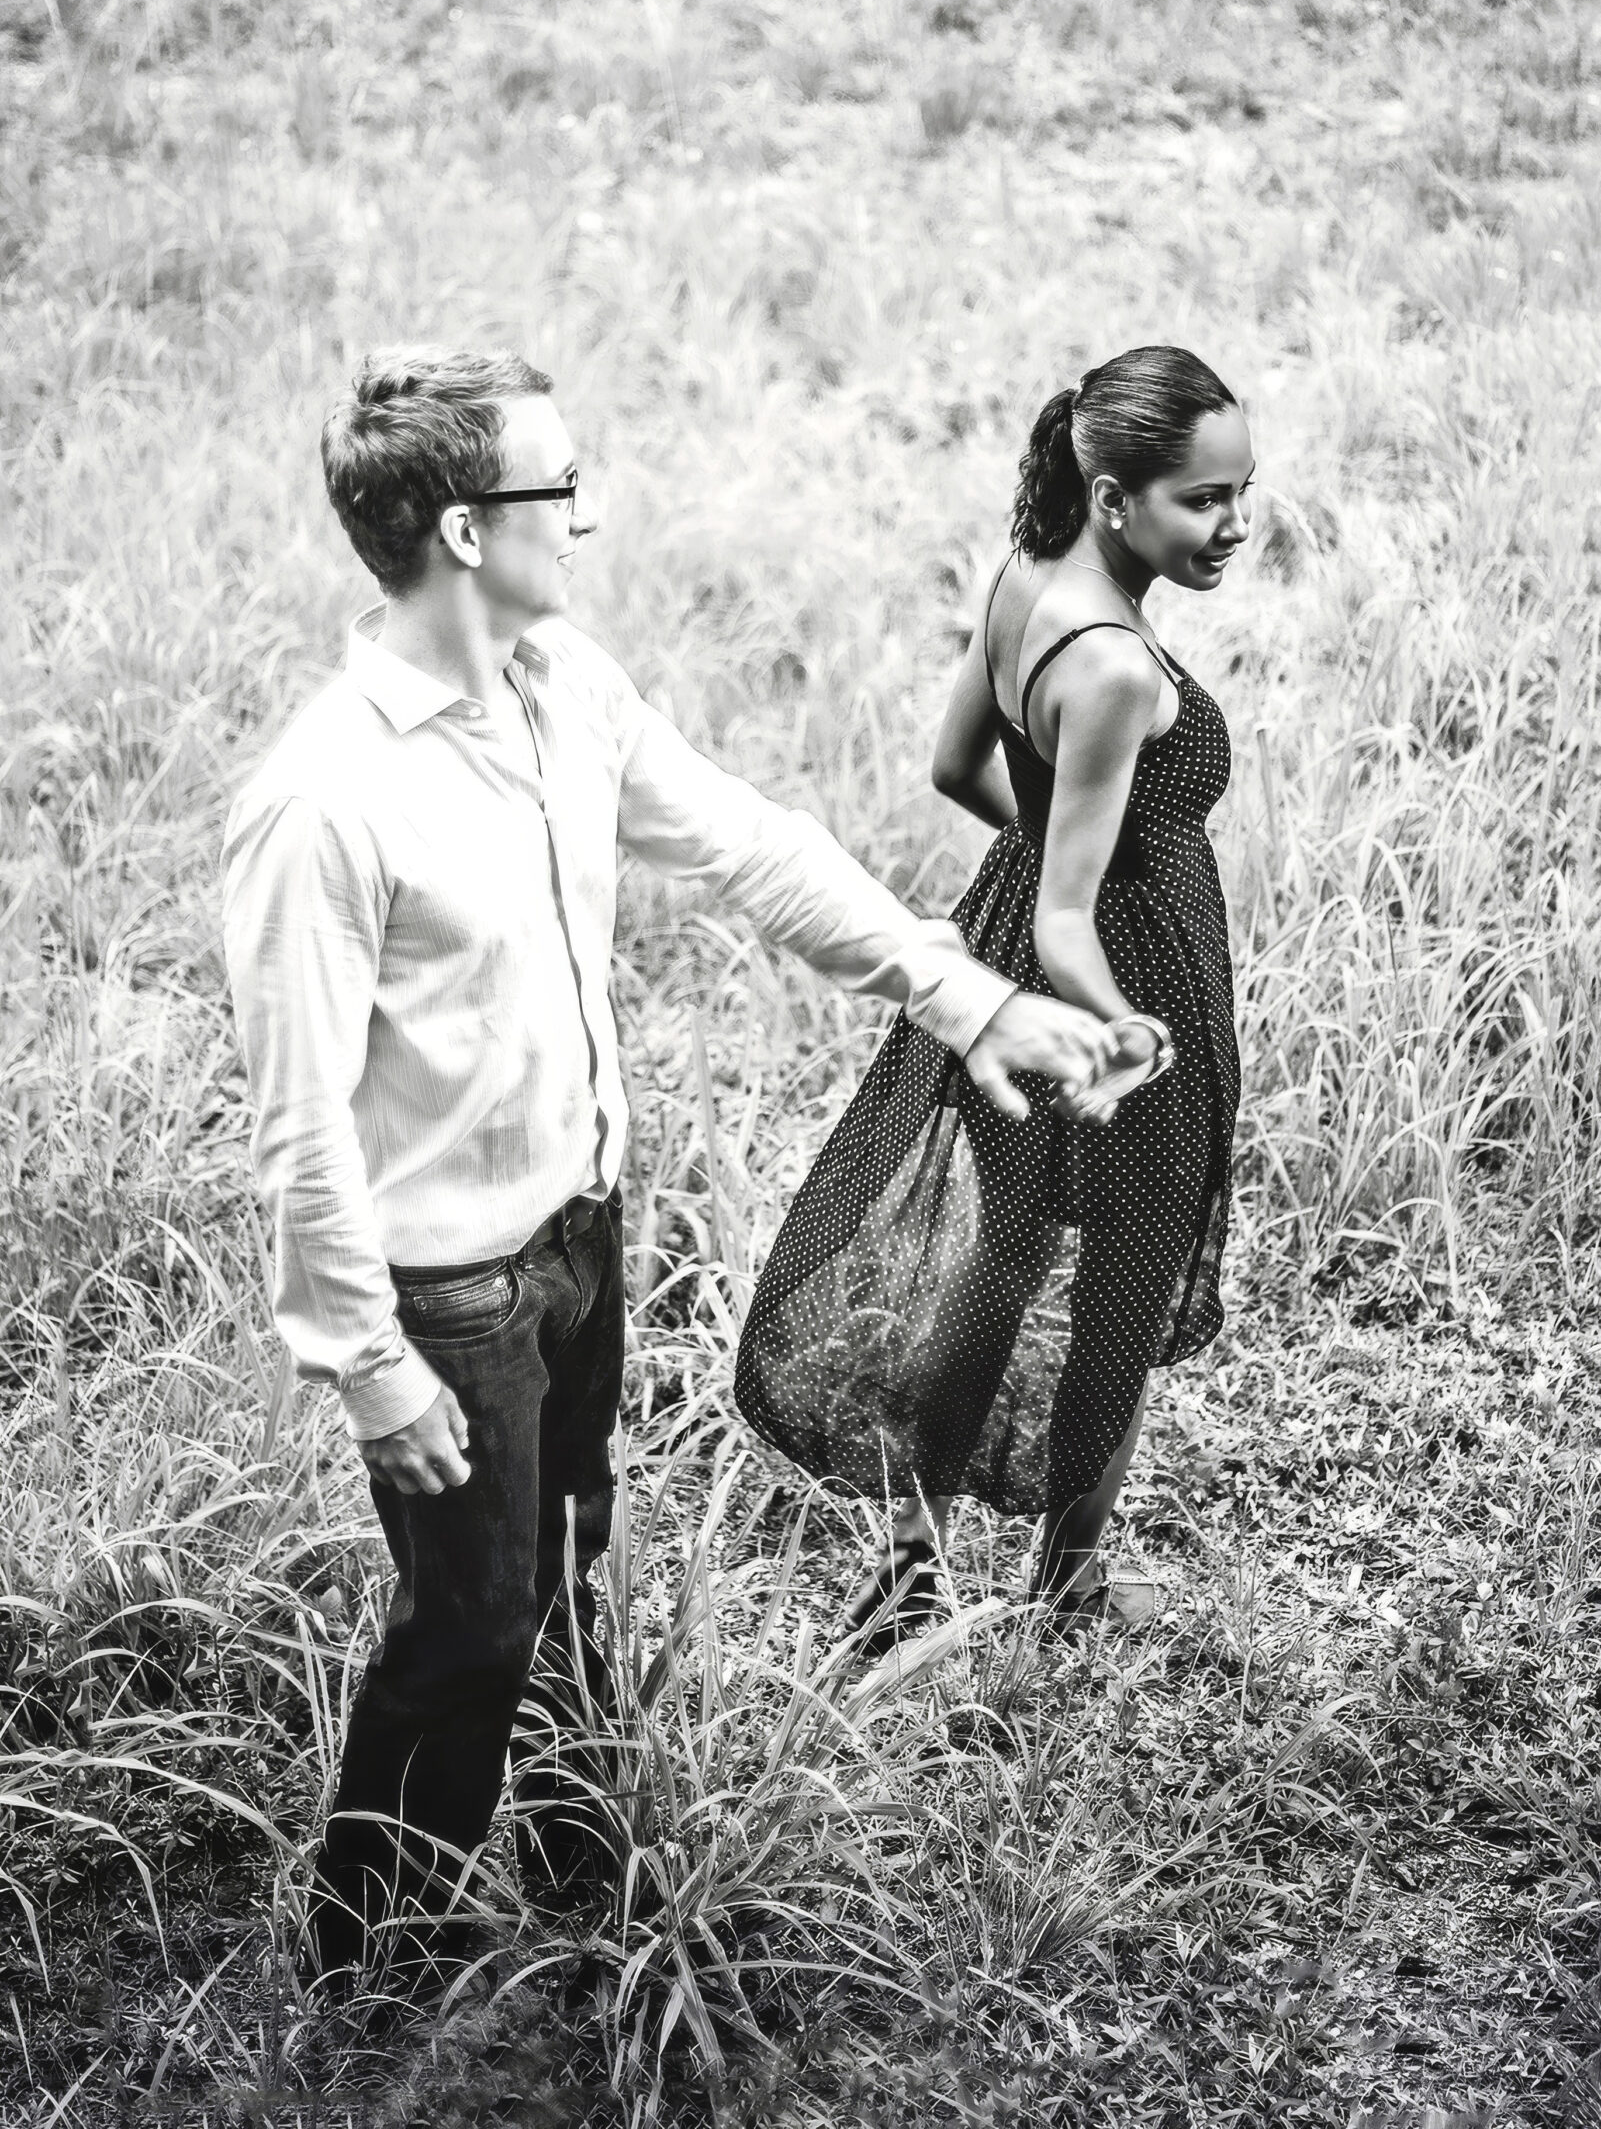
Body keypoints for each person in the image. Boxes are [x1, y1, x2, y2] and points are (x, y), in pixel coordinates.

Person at [219, 346, 1126, 1981]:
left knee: (568, 1566)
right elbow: (296, 1133)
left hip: (577, 1227)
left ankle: (584, 1873)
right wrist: (368, 1365)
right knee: (469, 1630)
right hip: (446, 1290)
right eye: (557, 486)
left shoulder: (564, 688)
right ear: (465, 532)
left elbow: (752, 849)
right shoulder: (325, 802)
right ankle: (373, 1969)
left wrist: (970, 994)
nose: (586, 514)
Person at [735, 346, 1250, 1651]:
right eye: (1201, 500)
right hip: (1102, 971)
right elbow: (1078, 912)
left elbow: (955, 765)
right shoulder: (1120, 667)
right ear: (1113, 498)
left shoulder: (1023, 577)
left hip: (994, 941)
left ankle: (911, 1554)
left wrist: (1061, 851)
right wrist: (1118, 1012)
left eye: (1240, 493)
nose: (1231, 526)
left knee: (1009, 1241)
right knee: (1127, 1274)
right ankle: (1066, 1579)